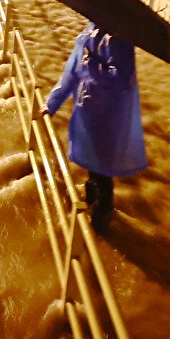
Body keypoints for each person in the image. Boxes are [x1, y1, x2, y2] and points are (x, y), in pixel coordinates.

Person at [42, 22, 145, 233]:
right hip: (86, 112)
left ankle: (101, 222)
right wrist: (51, 104)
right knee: (91, 163)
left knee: (103, 170)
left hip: (108, 117)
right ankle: (91, 203)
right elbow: (71, 72)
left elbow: (122, 81)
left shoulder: (120, 41)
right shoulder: (90, 32)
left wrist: (91, 66)